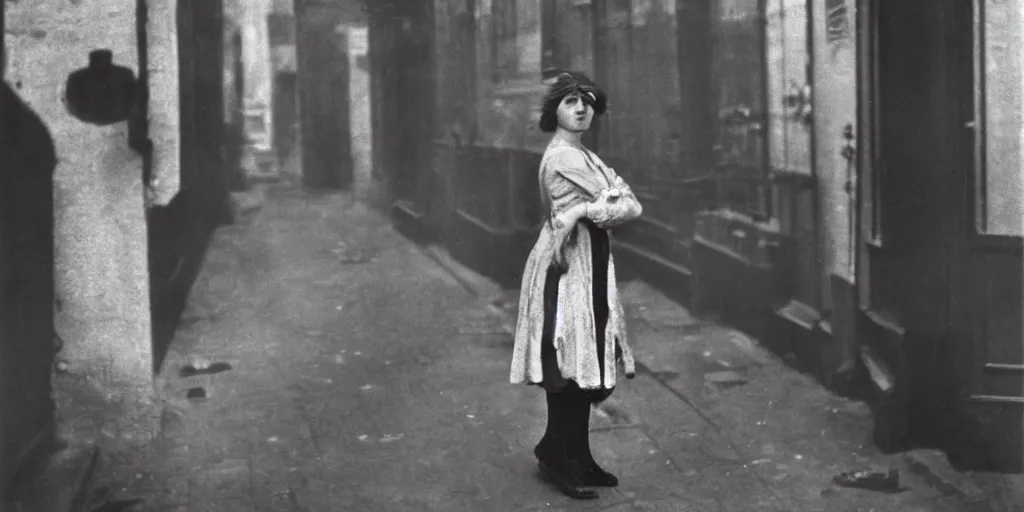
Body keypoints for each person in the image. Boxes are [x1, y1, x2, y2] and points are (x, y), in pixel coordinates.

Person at [509, 72, 643, 500]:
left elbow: (629, 205)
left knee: (584, 356)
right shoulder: (564, 157)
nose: (581, 108)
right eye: (570, 102)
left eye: (587, 101)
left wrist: (587, 207)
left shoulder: (583, 154)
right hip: (566, 265)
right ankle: (558, 456)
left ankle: (574, 453)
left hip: (588, 259)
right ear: (555, 112)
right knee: (568, 357)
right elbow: (621, 203)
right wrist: (595, 204)